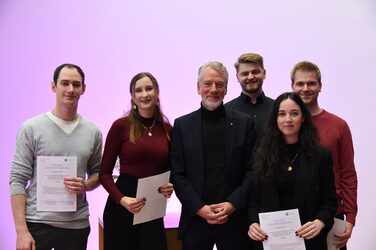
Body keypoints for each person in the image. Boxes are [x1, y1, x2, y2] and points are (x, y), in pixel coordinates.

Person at [9, 63, 103, 250]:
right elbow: (17, 180)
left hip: (77, 226)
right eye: (64, 83)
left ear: (83, 89)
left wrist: (86, 185)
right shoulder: (31, 128)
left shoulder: (93, 132)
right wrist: (21, 231)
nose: (70, 89)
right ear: (53, 86)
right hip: (37, 225)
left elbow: (99, 173)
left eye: (76, 84)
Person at [170, 61, 257, 250]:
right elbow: (177, 174)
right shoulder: (182, 126)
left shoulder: (244, 124)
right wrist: (200, 208)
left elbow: (252, 171)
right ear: (198, 88)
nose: (213, 89)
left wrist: (232, 204)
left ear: (226, 89)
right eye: (208, 84)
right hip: (196, 219)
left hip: (234, 219)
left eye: (219, 84)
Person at [248, 92, 337, 250]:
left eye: (294, 113)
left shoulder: (321, 156)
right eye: (282, 114)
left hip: (309, 241)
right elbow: (254, 199)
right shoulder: (261, 155)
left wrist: (320, 222)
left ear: (303, 118)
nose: (288, 119)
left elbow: (329, 202)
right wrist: (253, 223)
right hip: (269, 241)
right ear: (275, 119)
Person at [99, 72, 173, 250]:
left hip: (152, 207)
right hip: (122, 206)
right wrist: (122, 199)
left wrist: (171, 186)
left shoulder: (168, 130)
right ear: (132, 97)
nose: (144, 94)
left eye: (149, 88)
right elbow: (104, 174)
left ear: (157, 93)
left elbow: (171, 171)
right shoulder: (121, 126)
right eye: (138, 90)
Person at [291, 61, 357, 249]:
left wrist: (350, 217)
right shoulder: (285, 126)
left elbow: (348, 175)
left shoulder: (338, 126)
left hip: (331, 213)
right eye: (300, 84)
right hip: (293, 217)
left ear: (320, 86)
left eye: (311, 83)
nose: (305, 88)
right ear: (292, 86)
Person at [225, 53, 274, 134]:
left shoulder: (277, 109)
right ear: (237, 77)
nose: (250, 77)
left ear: (264, 73)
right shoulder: (226, 111)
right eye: (245, 73)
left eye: (255, 72)